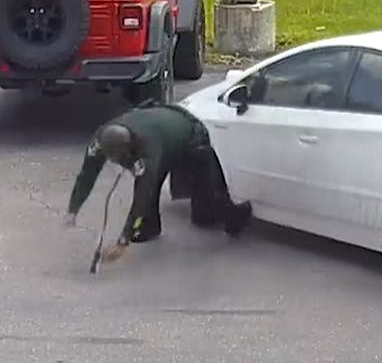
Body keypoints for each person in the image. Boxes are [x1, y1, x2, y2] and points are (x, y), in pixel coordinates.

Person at [64, 102, 251, 264]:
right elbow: (86, 175)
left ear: (129, 149)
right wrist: (72, 210)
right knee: (147, 192)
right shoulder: (102, 138)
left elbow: (143, 194)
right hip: (163, 129)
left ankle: (235, 217)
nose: (114, 162)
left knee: (208, 199)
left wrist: (123, 240)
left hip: (190, 136)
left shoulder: (148, 148)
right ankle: (149, 227)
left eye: (119, 158)